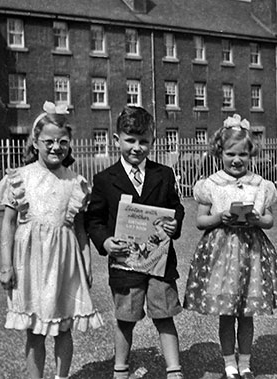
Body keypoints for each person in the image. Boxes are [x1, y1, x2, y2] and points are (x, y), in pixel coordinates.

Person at [0, 101, 103, 379]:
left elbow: (80, 229)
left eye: (62, 141)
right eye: (49, 141)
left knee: (63, 327)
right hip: (31, 263)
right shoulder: (20, 178)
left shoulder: (75, 182)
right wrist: (6, 265)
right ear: (36, 141)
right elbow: (8, 225)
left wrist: (87, 263)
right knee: (35, 329)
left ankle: (61, 377)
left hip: (65, 262)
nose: (56, 147)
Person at [85, 106, 185, 379]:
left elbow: (176, 207)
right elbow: (94, 220)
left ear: (152, 141)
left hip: (159, 262)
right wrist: (105, 243)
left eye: (144, 141)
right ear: (116, 140)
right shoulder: (105, 180)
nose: (137, 148)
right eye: (130, 140)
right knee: (125, 318)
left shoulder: (163, 174)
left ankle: (174, 370)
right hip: (125, 264)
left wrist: (175, 223)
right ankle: (121, 369)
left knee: (164, 315)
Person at [183, 114, 277, 379]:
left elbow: (270, 220)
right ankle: (229, 363)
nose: (236, 160)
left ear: (251, 154)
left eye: (242, 154)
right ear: (220, 153)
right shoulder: (212, 184)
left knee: (247, 312)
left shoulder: (260, 185)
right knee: (227, 312)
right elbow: (200, 221)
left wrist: (258, 219)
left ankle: (246, 362)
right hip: (221, 252)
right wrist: (219, 217)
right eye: (230, 154)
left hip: (251, 252)